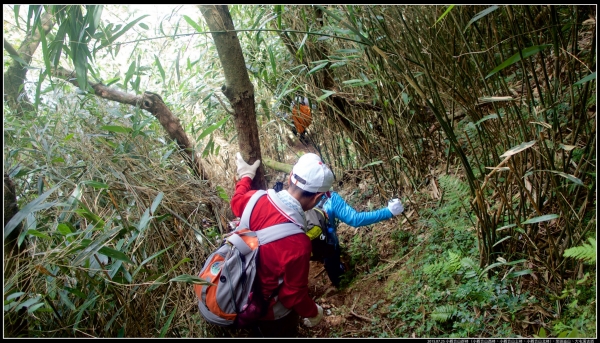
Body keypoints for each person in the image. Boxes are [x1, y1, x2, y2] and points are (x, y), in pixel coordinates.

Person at [231, 152, 334, 337]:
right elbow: (291, 295)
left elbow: (236, 203)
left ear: (289, 178)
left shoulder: (255, 198)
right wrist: (314, 313)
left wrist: (245, 177)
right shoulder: (299, 244)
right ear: (317, 197)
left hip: (235, 293)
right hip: (271, 313)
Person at [299, 154, 405, 288]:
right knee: (332, 260)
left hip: (302, 247)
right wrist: (389, 211)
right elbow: (355, 219)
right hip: (329, 242)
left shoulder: (292, 199)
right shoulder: (330, 198)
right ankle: (340, 285)